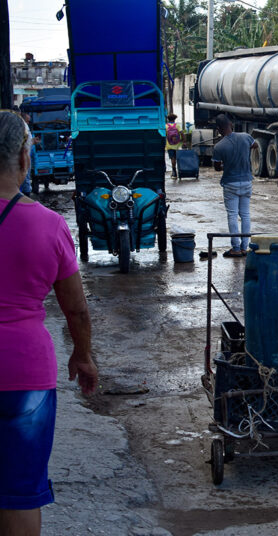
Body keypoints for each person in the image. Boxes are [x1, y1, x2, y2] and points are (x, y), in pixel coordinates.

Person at [0, 112, 98, 535]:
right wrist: (83, 354)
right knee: (19, 491)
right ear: (24, 158)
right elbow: (75, 308)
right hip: (24, 374)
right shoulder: (49, 225)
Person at [212, 114, 257, 257]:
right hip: (246, 181)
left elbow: (217, 167)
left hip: (230, 183)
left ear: (218, 129)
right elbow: (255, 145)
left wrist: (226, 163)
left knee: (232, 215)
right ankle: (245, 247)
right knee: (245, 214)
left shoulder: (219, 146)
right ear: (231, 124)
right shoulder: (245, 137)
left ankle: (236, 248)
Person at [165, 113, 182, 178]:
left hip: (169, 145)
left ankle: (174, 172)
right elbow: (181, 133)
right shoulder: (177, 125)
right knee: (178, 158)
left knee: (172, 158)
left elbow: (164, 135)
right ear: (175, 119)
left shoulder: (166, 126)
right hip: (177, 145)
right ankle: (180, 170)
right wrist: (184, 141)